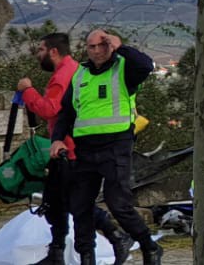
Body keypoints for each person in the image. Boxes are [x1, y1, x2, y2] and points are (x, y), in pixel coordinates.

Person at [51, 28, 160, 265]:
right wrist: (57, 139)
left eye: (103, 45)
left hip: (116, 146)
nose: (98, 51)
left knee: (118, 204)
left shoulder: (124, 69)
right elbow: (66, 113)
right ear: (86, 49)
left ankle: (149, 247)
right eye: (92, 47)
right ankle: (86, 257)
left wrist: (121, 47)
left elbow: (145, 66)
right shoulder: (80, 74)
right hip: (85, 149)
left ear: (110, 46)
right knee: (80, 207)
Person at [18, 32, 129, 265]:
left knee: (73, 203)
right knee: (57, 201)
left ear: (53, 51)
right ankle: (58, 251)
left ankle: (115, 236)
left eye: (40, 50)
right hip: (70, 148)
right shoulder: (74, 70)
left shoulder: (63, 76)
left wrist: (27, 90)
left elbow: (51, 109)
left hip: (69, 150)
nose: (38, 55)